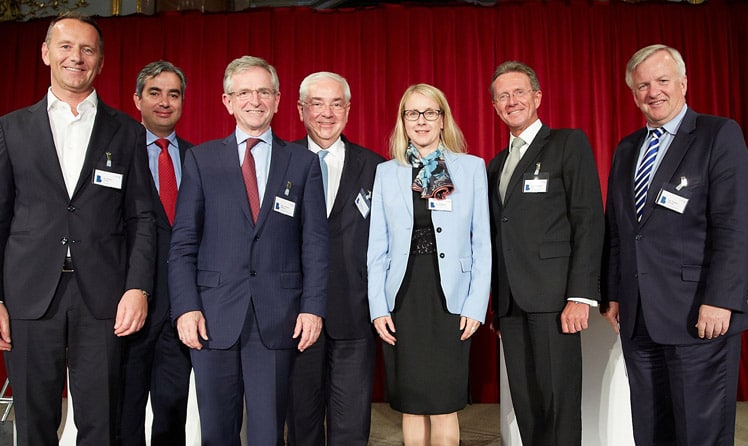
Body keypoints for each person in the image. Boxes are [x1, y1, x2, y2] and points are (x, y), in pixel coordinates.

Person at [0, 13, 155, 446]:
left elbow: (142, 218)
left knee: (102, 422)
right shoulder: (10, 129)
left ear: (101, 62)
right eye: (66, 46)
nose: (77, 57)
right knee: (33, 424)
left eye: (88, 50)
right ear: (46, 53)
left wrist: (138, 287)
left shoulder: (126, 131)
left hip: (105, 298)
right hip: (29, 296)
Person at [168, 55, 328, 445]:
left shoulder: (303, 163)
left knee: (267, 432)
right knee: (217, 431)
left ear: (277, 100)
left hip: (278, 317)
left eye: (263, 91)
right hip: (211, 316)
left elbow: (315, 244)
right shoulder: (201, 160)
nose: (254, 100)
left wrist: (313, 307)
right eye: (244, 92)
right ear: (227, 101)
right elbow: (184, 242)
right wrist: (185, 307)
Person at [602, 44, 748, 445]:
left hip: (699, 315)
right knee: (651, 433)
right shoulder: (627, 148)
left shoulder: (718, 135)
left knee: (699, 434)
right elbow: (619, 229)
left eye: (663, 81)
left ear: (684, 83)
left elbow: (735, 225)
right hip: (638, 320)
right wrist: (614, 294)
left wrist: (722, 298)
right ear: (633, 93)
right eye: (643, 85)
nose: (654, 92)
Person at [487, 61, 604, 446]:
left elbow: (588, 219)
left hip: (555, 301)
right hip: (510, 306)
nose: (512, 101)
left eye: (519, 92)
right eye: (503, 96)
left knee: (559, 403)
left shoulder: (568, 144)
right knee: (527, 406)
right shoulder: (496, 165)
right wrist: (494, 303)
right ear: (495, 107)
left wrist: (580, 295)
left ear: (537, 97)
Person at [367, 83, 491, 446]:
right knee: (411, 403)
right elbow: (378, 247)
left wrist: (475, 305)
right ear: (403, 121)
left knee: (443, 404)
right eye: (412, 113)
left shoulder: (469, 169)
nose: (421, 121)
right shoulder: (387, 172)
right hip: (403, 299)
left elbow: (482, 243)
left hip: (448, 298)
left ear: (442, 119)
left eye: (429, 113)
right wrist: (378, 307)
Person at [287, 72, 384, 446]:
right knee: (301, 424)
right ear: (300, 110)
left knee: (351, 428)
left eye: (336, 103)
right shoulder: (282, 161)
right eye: (317, 103)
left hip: (355, 315)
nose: (327, 113)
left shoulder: (376, 167)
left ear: (348, 110)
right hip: (295, 316)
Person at [119, 60, 193, 446]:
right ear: (137, 99)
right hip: (128, 308)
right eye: (154, 92)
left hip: (179, 313)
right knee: (125, 417)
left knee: (172, 415)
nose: (165, 102)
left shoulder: (200, 160)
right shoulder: (114, 153)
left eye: (173, 94)